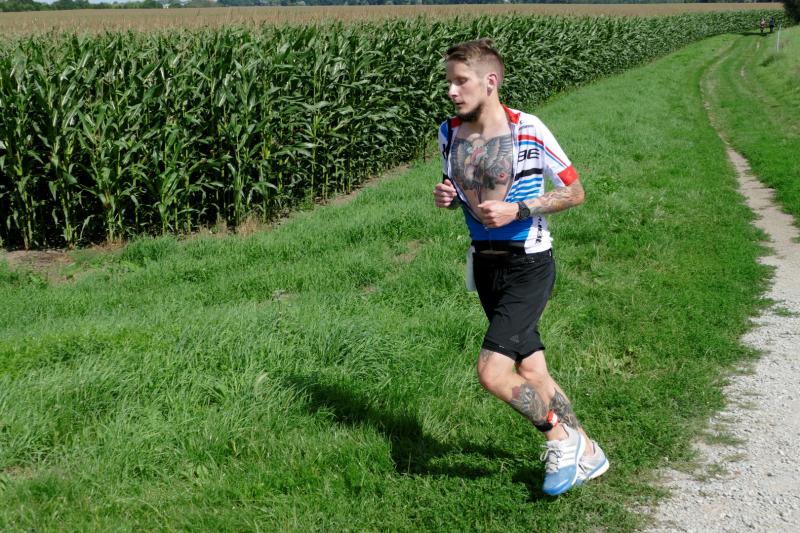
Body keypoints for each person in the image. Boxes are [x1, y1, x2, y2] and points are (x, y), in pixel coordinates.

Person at [432, 38, 608, 496]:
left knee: (492, 372)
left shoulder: (528, 129)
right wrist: (448, 197)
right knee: (533, 373)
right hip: (485, 266)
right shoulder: (448, 132)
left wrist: (520, 209)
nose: (451, 91)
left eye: (460, 81)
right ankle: (590, 452)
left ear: (490, 82)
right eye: (449, 81)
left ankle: (559, 438)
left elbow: (575, 192)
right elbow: (462, 189)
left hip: (529, 264)